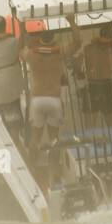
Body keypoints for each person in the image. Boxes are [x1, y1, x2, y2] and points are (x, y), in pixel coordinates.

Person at [22, 14, 79, 154]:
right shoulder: (59, 52)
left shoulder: (31, 54)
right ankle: (54, 170)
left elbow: (19, 50)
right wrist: (71, 21)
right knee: (54, 140)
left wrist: (21, 27)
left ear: (40, 40)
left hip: (37, 100)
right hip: (54, 99)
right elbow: (77, 43)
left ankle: (34, 165)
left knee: (35, 139)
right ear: (53, 40)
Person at [81, 23, 112, 123]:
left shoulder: (88, 48)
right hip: (107, 84)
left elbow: (80, 66)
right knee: (111, 121)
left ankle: (90, 138)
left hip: (92, 84)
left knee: (91, 121)